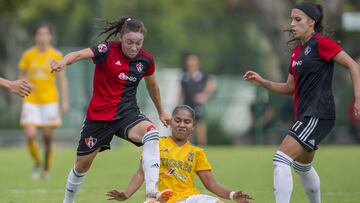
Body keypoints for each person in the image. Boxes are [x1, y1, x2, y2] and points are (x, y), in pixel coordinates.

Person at [243, 2, 360, 203]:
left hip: (318, 114)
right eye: (291, 19)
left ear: (311, 23)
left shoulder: (321, 44)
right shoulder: (297, 52)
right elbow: (290, 88)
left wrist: (358, 98)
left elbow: (352, 65)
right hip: (306, 115)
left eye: (298, 19)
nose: (292, 24)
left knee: (280, 159)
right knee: (301, 166)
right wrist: (264, 83)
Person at [50, 16, 172, 203]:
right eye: (129, 42)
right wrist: (63, 62)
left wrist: (161, 111)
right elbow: (77, 55)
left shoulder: (146, 60)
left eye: (138, 43)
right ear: (121, 38)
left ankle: (151, 193)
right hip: (99, 117)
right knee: (81, 166)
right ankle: (68, 201)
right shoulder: (106, 49)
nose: (134, 47)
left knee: (151, 133)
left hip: (127, 113)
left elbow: (153, 85)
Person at [106, 105, 253, 203]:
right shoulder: (156, 144)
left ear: (193, 126)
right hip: (160, 198)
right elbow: (141, 173)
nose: (182, 125)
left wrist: (233, 195)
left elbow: (211, 184)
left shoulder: (197, 152)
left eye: (187, 122)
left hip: (188, 198)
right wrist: (126, 194)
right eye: (178, 120)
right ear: (170, 122)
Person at [18, 23, 68, 179]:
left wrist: (64, 101)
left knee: (47, 137)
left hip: (49, 101)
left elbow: (62, 80)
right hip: (31, 100)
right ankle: (38, 162)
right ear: (35, 36)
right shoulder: (28, 55)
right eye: (39, 34)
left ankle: (46, 168)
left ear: (50, 36)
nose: (42, 37)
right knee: (30, 134)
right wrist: (25, 84)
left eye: (45, 34)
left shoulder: (56, 55)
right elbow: (21, 75)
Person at [179, 53, 217, 145]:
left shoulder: (202, 75)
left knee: (200, 126)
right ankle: (189, 146)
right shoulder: (184, 77)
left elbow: (212, 85)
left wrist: (204, 95)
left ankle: (202, 146)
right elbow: (181, 92)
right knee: (187, 127)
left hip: (197, 105)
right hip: (187, 105)